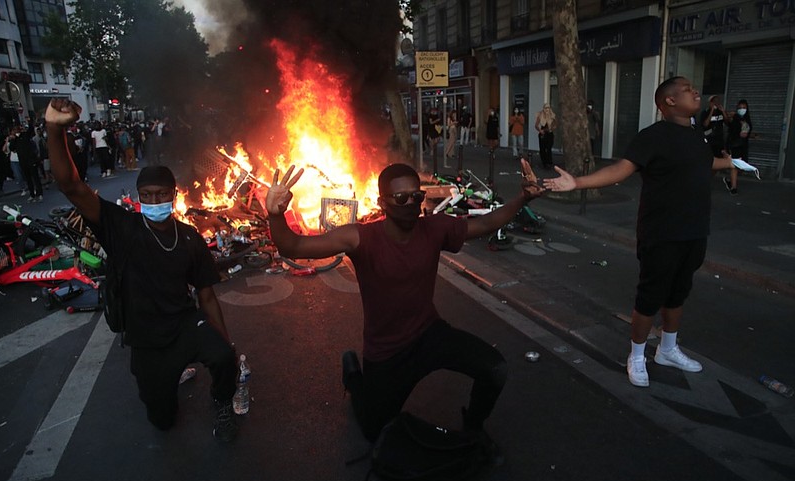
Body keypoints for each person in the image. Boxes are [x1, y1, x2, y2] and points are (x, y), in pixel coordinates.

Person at [264, 160, 544, 450]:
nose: (411, 203)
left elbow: (486, 223)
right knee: (375, 431)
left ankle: (473, 427)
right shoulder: (361, 237)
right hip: (386, 351)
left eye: (417, 196)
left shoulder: (435, 228)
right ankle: (353, 374)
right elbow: (293, 247)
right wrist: (275, 214)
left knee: (495, 369)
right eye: (401, 198)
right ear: (381, 203)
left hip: (428, 334)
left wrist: (523, 197)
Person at [44, 98, 239, 442]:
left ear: (173, 195)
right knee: (162, 420)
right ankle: (167, 382)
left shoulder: (190, 237)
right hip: (146, 339)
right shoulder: (122, 228)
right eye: (147, 195)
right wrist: (54, 129)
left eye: (161, 194)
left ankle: (222, 401)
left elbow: (206, 296)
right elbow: (71, 186)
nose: (154, 201)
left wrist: (225, 341)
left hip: (183, 325)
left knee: (224, 357)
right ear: (138, 197)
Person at [543, 76, 736, 388]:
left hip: (695, 229)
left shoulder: (697, 136)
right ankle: (636, 355)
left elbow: (703, 163)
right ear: (669, 101)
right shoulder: (652, 137)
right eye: (687, 90)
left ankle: (668, 350)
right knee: (651, 295)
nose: (695, 91)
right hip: (661, 232)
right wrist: (577, 182)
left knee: (678, 292)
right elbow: (621, 169)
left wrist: (728, 162)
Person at [724, 99, 752, 195]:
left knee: (740, 167)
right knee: (734, 167)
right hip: (734, 146)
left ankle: (730, 180)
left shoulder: (747, 120)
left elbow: (746, 132)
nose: (742, 110)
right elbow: (729, 124)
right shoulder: (735, 119)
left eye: (744, 108)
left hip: (743, 147)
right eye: (740, 108)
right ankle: (734, 187)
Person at [535, 103, 556, 168]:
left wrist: (552, 128)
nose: (547, 109)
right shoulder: (540, 115)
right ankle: (544, 162)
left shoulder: (552, 115)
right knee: (542, 148)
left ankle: (549, 161)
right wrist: (540, 130)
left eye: (548, 108)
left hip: (549, 133)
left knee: (549, 147)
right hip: (543, 133)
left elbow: (556, 124)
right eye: (545, 108)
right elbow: (536, 125)